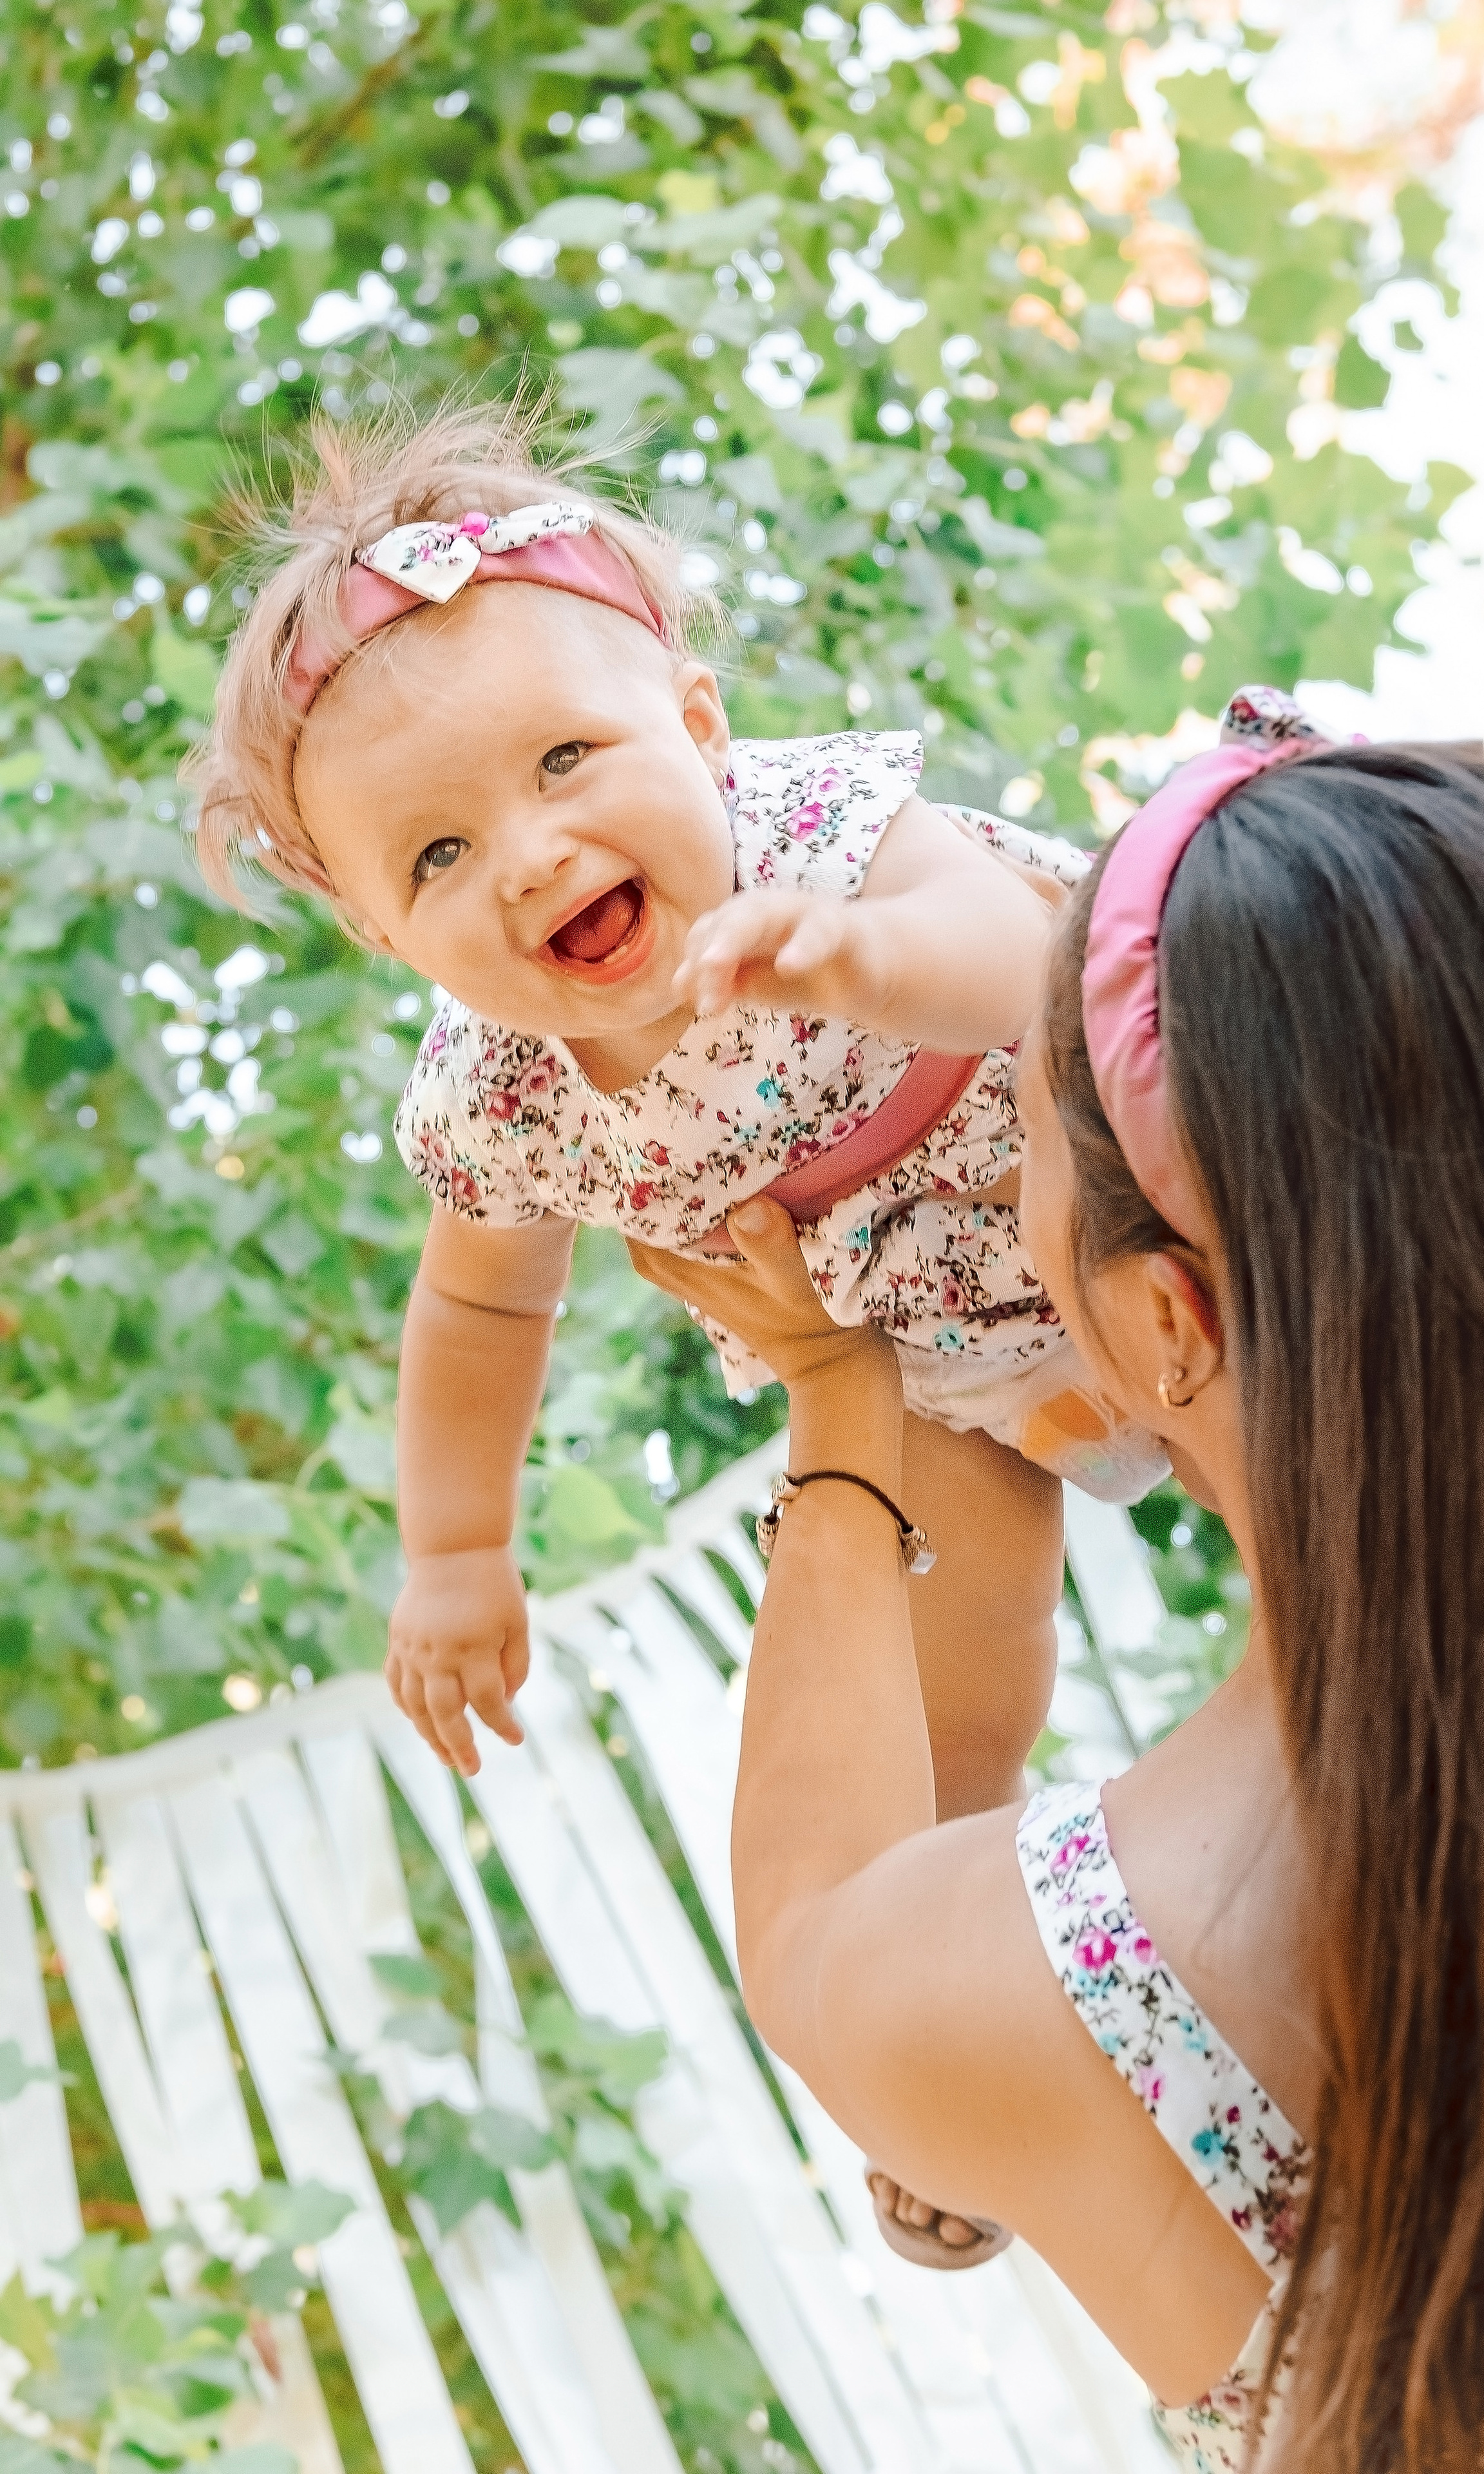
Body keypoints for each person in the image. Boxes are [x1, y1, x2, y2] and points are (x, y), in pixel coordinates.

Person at [186, 403, 1170, 2261]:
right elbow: (479, 1313)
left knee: (1315, 1404)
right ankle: (973, 2003)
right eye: (440, 856)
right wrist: (457, 1554)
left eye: (569, 759)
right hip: (932, 1346)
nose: (535, 855)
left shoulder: (818, 836)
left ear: (698, 729)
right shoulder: (502, 1096)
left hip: (1125, 1165)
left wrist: (861, 958)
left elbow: (1023, 960)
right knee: (963, 1666)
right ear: (393, 942)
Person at [631, 718, 1484, 2469]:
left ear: (1168, 1323)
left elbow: (812, 1932)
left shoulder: (1096, 1983)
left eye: (1009, 1162)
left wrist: (841, 1400)